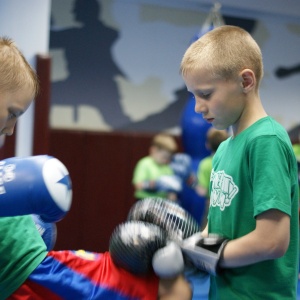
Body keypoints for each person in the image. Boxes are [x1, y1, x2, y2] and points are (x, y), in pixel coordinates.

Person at [0, 37, 192, 300]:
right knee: (163, 289)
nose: (11, 128)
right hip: (28, 273)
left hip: (25, 270)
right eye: (12, 112)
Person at [180, 25, 299, 299]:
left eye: (206, 94)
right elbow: (216, 227)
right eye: (193, 96)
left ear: (246, 82)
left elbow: (272, 241)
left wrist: (205, 255)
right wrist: (188, 249)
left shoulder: (266, 140)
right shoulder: (223, 150)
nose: (198, 107)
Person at [196, 128, 228, 229]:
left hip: (212, 206)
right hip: (230, 206)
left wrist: (191, 182)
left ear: (208, 145)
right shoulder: (231, 161)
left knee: (208, 239)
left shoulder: (205, 164)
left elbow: (202, 191)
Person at [132, 133, 179, 201]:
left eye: (168, 158)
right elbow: (138, 185)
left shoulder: (167, 168)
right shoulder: (145, 164)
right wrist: (155, 184)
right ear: (153, 150)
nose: (165, 160)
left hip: (161, 203)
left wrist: (171, 194)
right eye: (164, 157)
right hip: (144, 202)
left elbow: (171, 189)